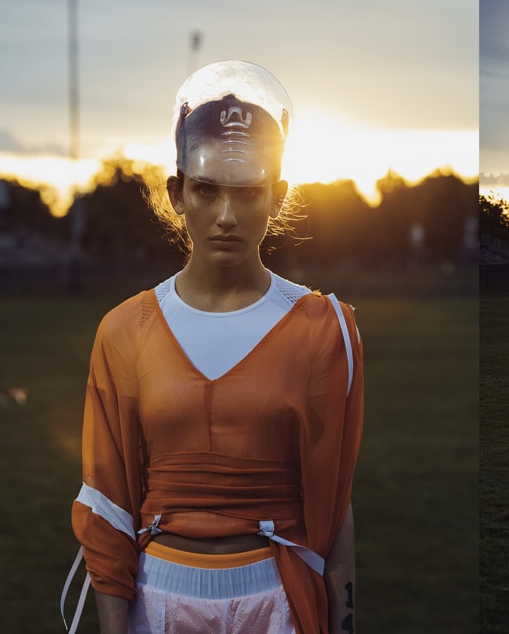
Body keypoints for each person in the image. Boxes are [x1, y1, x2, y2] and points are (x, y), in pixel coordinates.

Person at [61, 60, 363, 633]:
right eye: (206, 190)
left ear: (277, 195)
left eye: (248, 192)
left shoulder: (326, 328)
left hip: (278, 598)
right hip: (159, 599)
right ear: (177, 193)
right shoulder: (124, 330)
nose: (226, 216)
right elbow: (110, 503)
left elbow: (335, 501)